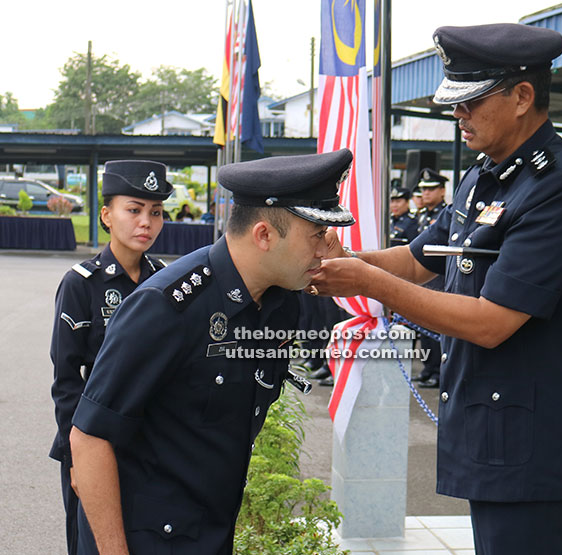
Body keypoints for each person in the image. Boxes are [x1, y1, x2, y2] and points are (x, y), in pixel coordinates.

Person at [312, 23, 562, 555]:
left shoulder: (559, 189)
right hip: (499, 434)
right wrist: (340, 259)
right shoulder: (487, 175)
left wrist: (367, 281)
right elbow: (417, 259)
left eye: (471, 101)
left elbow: (491, 322)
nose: (458, 115)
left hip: (544, 451)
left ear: (523, 97)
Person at [69, 149, 355, 554]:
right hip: (144, 538)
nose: (325, 250)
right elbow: (90, 438)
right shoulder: (167, 305)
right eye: (316, 236)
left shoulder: (280, 303)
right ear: (264, 235)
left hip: (210, 530)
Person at [49, 159, 171, 555]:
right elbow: (67, 380)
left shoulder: (165, 280)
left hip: (151, 440)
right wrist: (76, 456)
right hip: (94, 438)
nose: (146, 222)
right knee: (92, 544)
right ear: (106, 215)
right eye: (133, 209)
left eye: (155, 212)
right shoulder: (81, 284)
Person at [414, 169, 449, 388]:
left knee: (437, 328)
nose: (426, 193)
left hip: (439, 276)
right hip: (423, 277)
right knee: (423, 327)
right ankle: (428, 368)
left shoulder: (444, 214)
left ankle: (438, 371)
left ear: (443, 190)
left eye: (431, 189)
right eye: (423, 189)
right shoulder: (423, 215)